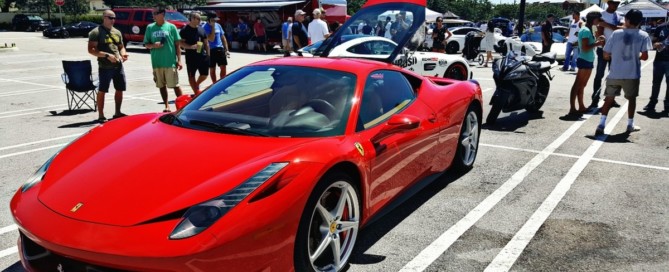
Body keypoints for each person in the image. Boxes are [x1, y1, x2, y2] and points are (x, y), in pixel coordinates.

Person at [596, 9, 650, 135]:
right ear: (639, 21)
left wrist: (613, 56)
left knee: (609, 99)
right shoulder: (643, 35)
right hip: (632, 74)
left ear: (627, 20)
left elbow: (605, 55)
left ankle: (601, 124)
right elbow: (645, 56)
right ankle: (630, 124)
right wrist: (635, 56)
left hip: (615, 73)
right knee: (631, 99)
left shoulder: (616, 34)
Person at [87, 9, 128, 123]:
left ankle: (117, 112)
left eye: (114, 18)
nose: (113, 20)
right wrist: (106, 55)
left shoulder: (117, 32)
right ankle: (101, 115)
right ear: (104, 17)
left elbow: (121, 47)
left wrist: (123, 54)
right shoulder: (96, 32)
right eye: (110, 18)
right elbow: (91, 50)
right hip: (105, 67)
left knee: (120, 89)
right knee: (102, 90)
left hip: (118, 66)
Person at [564, 11, 604, 119]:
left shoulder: (589, 29)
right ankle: (572, 108)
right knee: (578, 84)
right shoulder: (586, 30)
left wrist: (597, 40)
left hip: (588, 59)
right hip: (584, 59)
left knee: (582, 85)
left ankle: (581, 106)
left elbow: (588, 45)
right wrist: (598, 43)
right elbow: (585, 47)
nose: (600, 22)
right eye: (599, 20)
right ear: (594, 20)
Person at [144, 5, 183, 113]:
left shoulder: (171, 27)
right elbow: (146, 44)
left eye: (155, 13)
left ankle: (182, 106)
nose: (153, 16)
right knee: (161, 86)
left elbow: (177, 45)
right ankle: (166, 106)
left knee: (175, 85)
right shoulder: (150, 27)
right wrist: (153, 45)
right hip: (157, 62)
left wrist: (179, 60)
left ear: (162, 14)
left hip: (170, 62)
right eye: (153, 14)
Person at [590, 0, 624, 110]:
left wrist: (607, 25)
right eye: (614, 3)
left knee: (614, 76)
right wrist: (605, 50)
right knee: (599, 75)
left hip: (616, 50)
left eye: (618, 3)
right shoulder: (601, 15)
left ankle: (610, 98)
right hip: (603, 49)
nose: (616, 5)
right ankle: (595, 98)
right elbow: (599, 33)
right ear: (609, 3)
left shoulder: (619, 16)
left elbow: (623, 29)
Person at [180, 12, 209, 95]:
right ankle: (196, 93)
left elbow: (206, 43)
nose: (200, 20)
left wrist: (208, 54)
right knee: (191, 76)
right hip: (191, 57)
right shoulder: (185, 30)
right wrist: (191, 47)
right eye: (198, 19)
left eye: (200, 19)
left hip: (202, 56)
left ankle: (196, 85)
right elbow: (180, 43)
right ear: (192, 19)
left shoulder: (201, 29)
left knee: (204, 74)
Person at [644, 18, 669, 112]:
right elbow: (653, 42)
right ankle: (652, 103)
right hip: (659, 60)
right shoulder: (661, 27)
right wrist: (656, 44)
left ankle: (667, 105)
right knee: (656, 83)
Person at [204, 13, 230, 83]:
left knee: (223, 67)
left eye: (215, 20)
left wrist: (226, 49)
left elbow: (223, 37)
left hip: (220, 49)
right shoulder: (205, 27)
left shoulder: (218, 25)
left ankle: (222, 83)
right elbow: (211, 39)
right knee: (212, 69)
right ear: (209, 20)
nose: (215, 22)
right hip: (211, 50)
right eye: (213, 20)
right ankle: (214, 84)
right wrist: (212, 27)